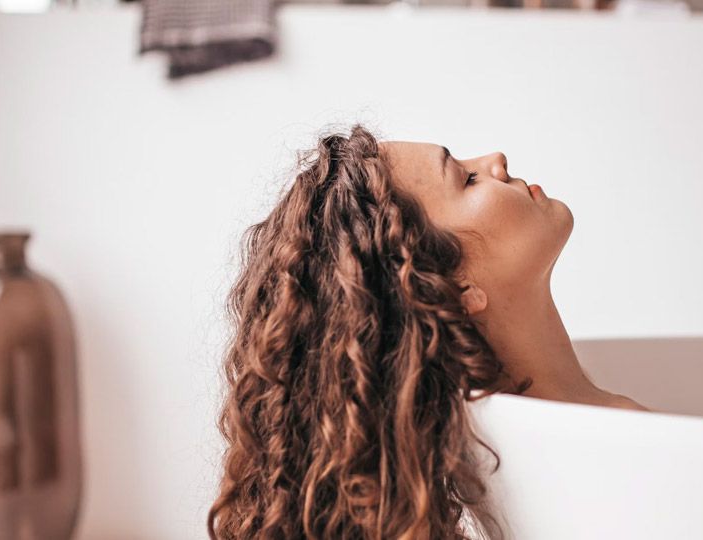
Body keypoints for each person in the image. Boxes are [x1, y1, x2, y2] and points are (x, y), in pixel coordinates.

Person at [207, 124, 648, 540]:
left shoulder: (555, 441)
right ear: (453, 288)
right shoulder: (606, 453)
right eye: (468, 180)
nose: (496, 159)